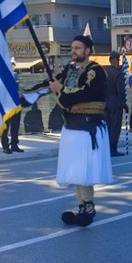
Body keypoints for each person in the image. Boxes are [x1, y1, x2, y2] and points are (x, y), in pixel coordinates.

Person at [48, 36, 113, 227]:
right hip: (71, 127)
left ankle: (88, 206)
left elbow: (83, 94)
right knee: (75, 171)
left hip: (88, 128)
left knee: (84, 171)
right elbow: (53, 85)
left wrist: (60, 88)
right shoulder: (69, 69)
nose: (73, 51)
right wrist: (27, 94)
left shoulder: (96, 71)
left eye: (78, 48)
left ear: (87, 50)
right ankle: (81, 206)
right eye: (72, 47)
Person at [104, 51, 128, 157]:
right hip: (115, 104)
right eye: (118, 60)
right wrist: (124, 104)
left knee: (107, 126)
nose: (118, 63)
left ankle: (107, 148)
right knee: (115, 127)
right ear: (114, 60)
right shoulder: (117, 74)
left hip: (104, 104)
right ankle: (113, 149)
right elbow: (120, 91)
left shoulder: (103, 72)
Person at [0, 58, 23, 154]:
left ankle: (14, 144)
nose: (12, 66)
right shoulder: (2, 76)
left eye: (13, 64)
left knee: (15, 126)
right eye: (10, 64)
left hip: (15, 104)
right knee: (5, 127)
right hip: (6, 104)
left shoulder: (15, 75)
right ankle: (5, 146)